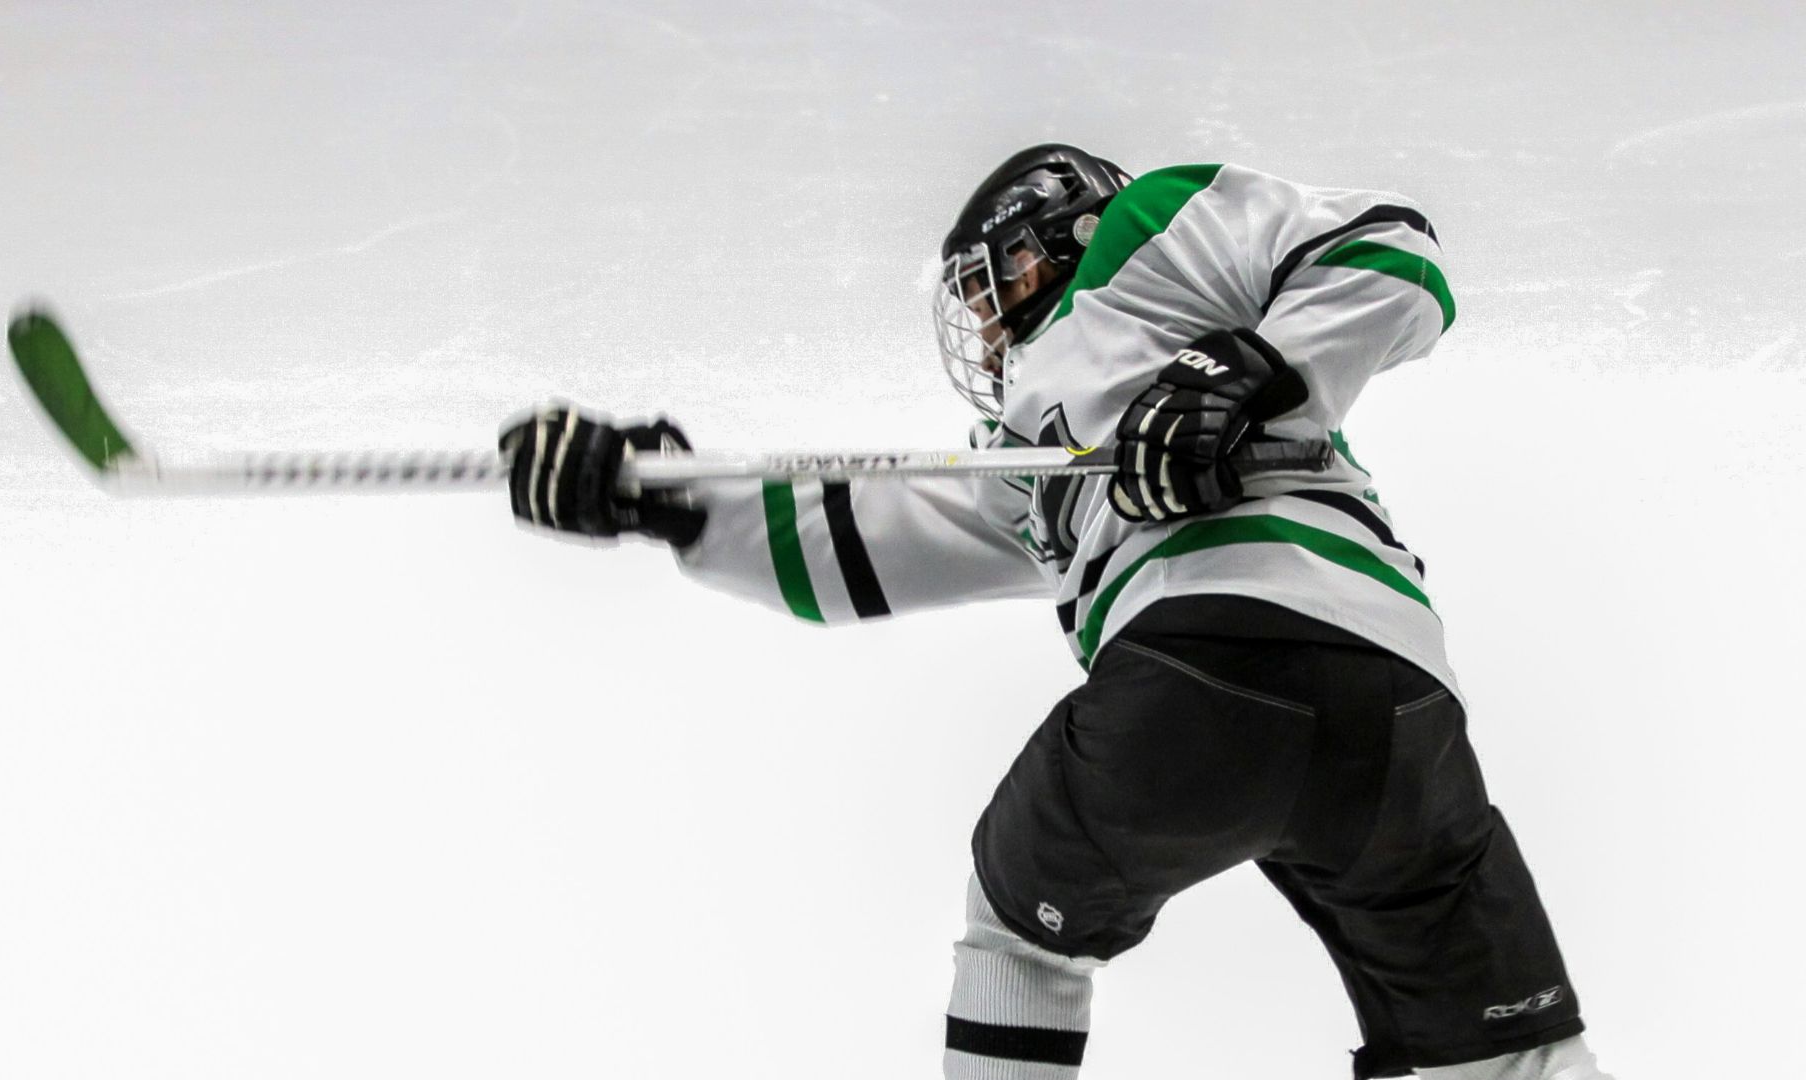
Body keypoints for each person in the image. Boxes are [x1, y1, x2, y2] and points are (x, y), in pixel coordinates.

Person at [500, 145, 1615, 1080]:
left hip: (1201, 674)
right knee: (1504, 1050)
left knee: (1016, 929)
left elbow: (1394, 250)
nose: (988, 334)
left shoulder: (1153, 233)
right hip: (1401, 713)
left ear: (1063, 232)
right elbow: (851, 546)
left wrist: (1250, 364)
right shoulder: (1030, 462)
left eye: (995, 289)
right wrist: (665, 503)